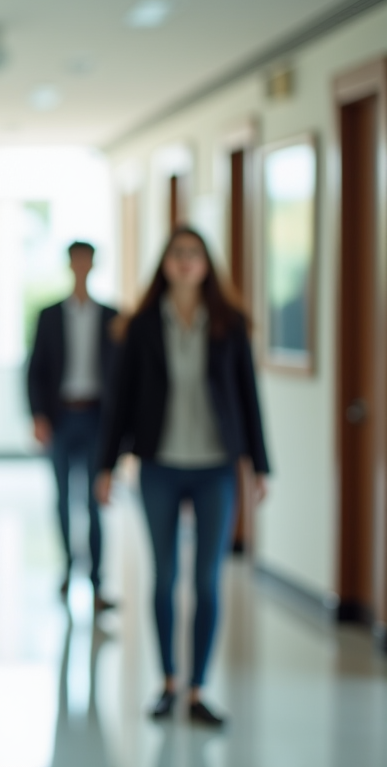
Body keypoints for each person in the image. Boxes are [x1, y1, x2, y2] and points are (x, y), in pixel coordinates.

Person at [95, 225, 270, 727]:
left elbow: (248, 398)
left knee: (208, 580)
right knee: (166, 577)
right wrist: (106, 466)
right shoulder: (142, 325)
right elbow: (120, 402)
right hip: (159, 466)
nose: (187, 262)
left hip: (216, 467)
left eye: (195, 254)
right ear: (166, 264)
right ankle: (169, 683)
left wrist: (260, 465)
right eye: (178, 254)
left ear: (207, 264)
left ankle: (198, 690)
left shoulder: (229, 323)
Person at [27, 241, 118, 610]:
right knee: (63, 499)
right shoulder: (49, 315)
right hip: (61, 417)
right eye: (76, 260)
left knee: (96, 501)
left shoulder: (112, 317)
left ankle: (97, 583)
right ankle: (68, 570)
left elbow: (122, 377)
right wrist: (37, 416)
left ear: (94, 264)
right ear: (69, 265)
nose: (81, 266)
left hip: (98, 418)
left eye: (87, 260)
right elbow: (34, 370)